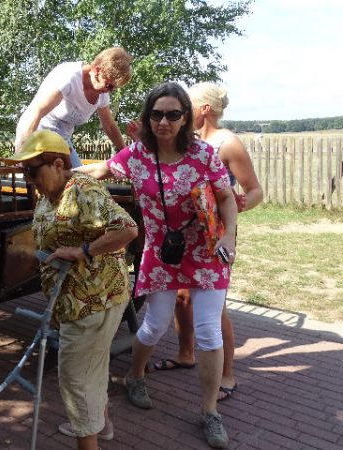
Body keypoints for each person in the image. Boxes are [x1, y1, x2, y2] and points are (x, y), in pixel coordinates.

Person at [77, 82, 238, 449]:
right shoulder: (138, 155)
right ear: (148, 118)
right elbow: (102, 170)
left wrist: (228, 236)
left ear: (185, 118)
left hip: (206, 251)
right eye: (156, 114)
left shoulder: (204, 154)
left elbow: (226, 198)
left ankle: (210, 412)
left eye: (172, 114)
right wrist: (59, 171)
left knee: (208, 332)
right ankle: (135, 376)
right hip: (162, 253)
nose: (164, 121)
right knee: (154, 326)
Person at [9, 130, 138, 450]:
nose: (28, 179)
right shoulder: (51, 193)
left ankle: (88, 437)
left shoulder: (81, 189)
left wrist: (83, 251)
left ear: (57, 164)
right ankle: (101, 425)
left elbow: (127, 229)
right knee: (92, 367)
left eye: (32, 171)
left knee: (74, 380)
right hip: (80, 299)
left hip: (92, 300)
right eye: (24, 172)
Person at [152, 83, 263, 403]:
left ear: (203, 109)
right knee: (181, 297)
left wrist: (236, 207)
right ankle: (186, 353)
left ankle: (227, 373)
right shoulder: (186, 141)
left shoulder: (228, 143)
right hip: (185, 234)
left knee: (214, 308)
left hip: (215, 235)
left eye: (187, 106)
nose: (181, 112)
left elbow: (255, 190)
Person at [14, 47, 133, 167]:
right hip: (37, 134)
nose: (110, 91)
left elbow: (110, 126)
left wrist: (127, 155)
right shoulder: (69, 77)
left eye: (114, 88)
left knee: (78, 177)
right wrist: (23, 151)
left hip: (61, 142)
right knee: (50, 175)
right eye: (109, 85)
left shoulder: (102, 96)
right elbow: (36, 111)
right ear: (97, 71)